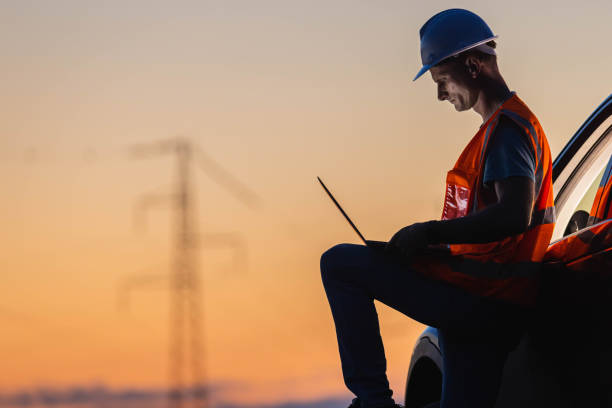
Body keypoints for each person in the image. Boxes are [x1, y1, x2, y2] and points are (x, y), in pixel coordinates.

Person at [320, 8, 555, 408]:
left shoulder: (506, 132)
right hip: (488, 302)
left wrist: (429, 232)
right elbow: (485, 236)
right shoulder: (503, 129)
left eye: (442, 80)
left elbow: (514, 214)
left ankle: (374, 400)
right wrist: (428, 251)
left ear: (473, 65)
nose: (441, 94)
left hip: (482, 301)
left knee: (340, 264)